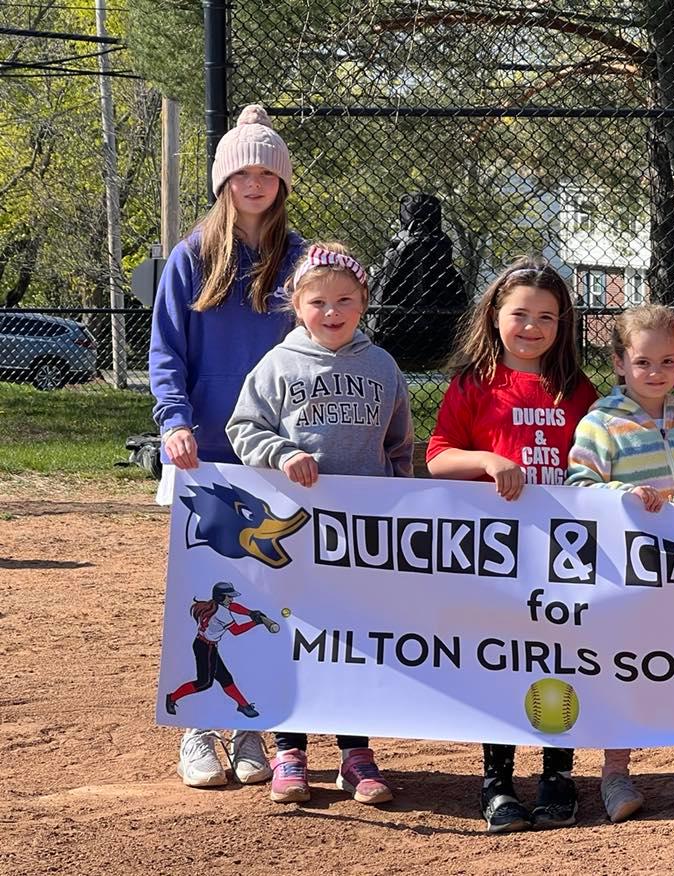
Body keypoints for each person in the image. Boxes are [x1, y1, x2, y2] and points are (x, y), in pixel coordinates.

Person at [149, 103, 304, 790]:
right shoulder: (191, 258)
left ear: (281, 183)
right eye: (240, 169)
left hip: (273, 456)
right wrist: (173, 419)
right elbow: (166, 352)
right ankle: (198, 733)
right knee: (199, 595)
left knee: (266, 594)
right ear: (221, 181)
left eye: (265, 170)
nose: (252, 181)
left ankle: (251, 730)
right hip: (202, 456)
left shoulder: (300, 261)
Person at [226, 241, 413, 805]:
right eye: (318, 302)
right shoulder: (279, 365)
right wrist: (282, 454)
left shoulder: (382, 366)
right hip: (293, 536)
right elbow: (242, 428)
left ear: (363, 302)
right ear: (295, 304)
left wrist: (392, 504)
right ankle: (290, 751)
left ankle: (356, 755)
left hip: (359, 540)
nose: (332, 313)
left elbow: (400, 445)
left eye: (345, 301)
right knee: (297, 637)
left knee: (352, 641)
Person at [426, 256, 597, 833]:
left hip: (563, 552)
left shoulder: (577, 390)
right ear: (494, 315)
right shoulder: (474, 383)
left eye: (546, 317)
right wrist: (487, 459)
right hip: (495, 551)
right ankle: (497, 780)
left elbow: (600, 458)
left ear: (562, 324)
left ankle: (557, 775)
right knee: (500, 659)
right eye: (519, 313)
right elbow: (437, 458)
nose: (532, 327)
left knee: (560, 658)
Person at [566, 304, 674, 823]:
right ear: (620, 362)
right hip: (631, 574)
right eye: (643, 362)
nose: (656, 372)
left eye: (668, 361)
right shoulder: (600, 423)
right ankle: (616, 774)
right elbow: (579, 487)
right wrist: (625, 493)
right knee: (626, 666)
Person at [164, 582, 268, 718]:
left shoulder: (212, 604)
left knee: (225, 678)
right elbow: (236, 631)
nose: (231, 599)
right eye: (228, 596)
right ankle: (172, 698)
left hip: (206, 645)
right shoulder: (223, 613)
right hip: (205, 648)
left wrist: (250, 613)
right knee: (204, 683)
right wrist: (255, 622)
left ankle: (243, 705)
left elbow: (233, 606)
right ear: (220, 597)